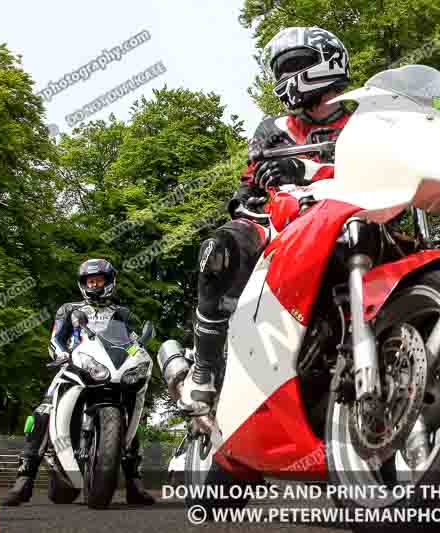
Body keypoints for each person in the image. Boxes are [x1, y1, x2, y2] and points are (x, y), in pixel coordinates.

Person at [177, 27, 352, 416]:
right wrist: (251, 188)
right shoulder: (274, 129)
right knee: (218, 251)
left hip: (349, 218)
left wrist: (303, 166)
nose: (287, 77)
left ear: (329, 62)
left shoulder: (365, 122)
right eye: (281, 69)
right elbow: (251, 177)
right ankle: (203, 371)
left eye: (296, 65)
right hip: (281, 222)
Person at [2, 259, 155, 506]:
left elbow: (132, 341)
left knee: (128, 412)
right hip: (74, 366)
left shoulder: (122, 313)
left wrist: (138, 354)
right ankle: (24, 479)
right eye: (90, 281)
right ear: (83, 283)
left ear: (109, 282)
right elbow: (55, 339)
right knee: (43, 411)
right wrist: (61, 354)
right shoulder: (68, 309)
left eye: (99, 280)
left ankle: (134, 483)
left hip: (110, 369)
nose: (94, 285)